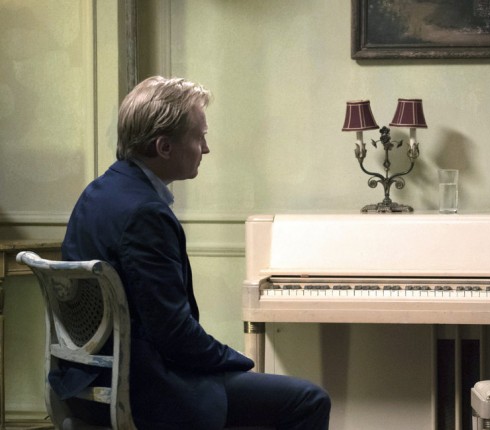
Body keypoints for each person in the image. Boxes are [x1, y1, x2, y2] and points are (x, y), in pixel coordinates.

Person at [61, 76, 331, 430]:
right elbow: (174, 335)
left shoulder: (98, 192)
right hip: (142, 389)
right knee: (309, 400)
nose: (206, 148)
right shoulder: (145, 214)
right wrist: (238, 360)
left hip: (86, 381)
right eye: (199, 137)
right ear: (164, 147)